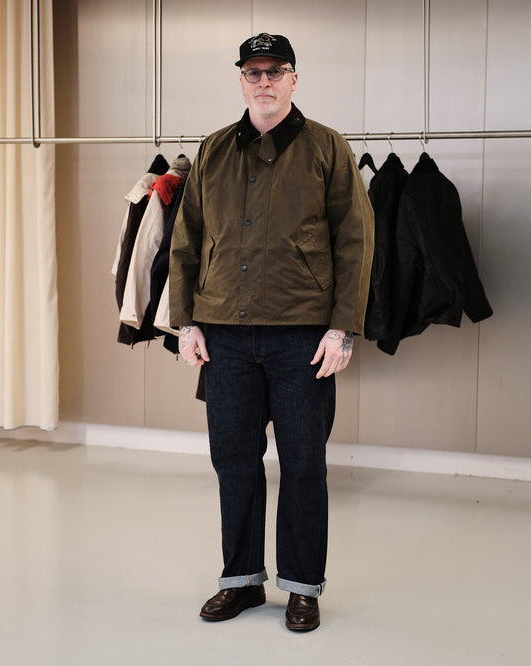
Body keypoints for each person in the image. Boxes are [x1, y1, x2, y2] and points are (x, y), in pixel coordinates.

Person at [169, 32, 374, 632]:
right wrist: (186, 321)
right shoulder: (213, 150)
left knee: (304, 463)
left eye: (275, 71)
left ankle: (303, 587)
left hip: (301, 337)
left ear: (293, 78)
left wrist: (342, 328)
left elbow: (356, 241)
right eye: (253, 72)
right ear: (241, 79)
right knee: (233, 461)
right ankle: (241, 581)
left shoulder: (327, 147)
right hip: (225, 334)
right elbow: (186, 240)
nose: (264, 82)